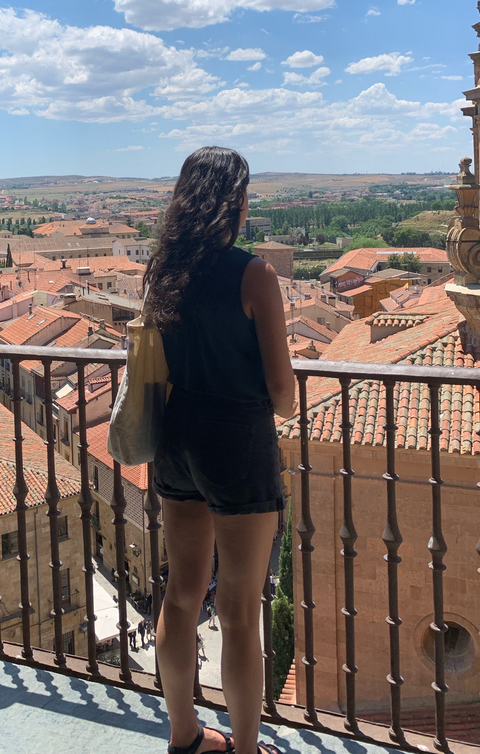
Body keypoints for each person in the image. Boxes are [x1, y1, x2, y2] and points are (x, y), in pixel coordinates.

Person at [145, 147, 294, 754]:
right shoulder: (253, 273)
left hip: (175, 442)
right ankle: (247, 747)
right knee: (238, 610)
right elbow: (283, 393)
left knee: (182, 595)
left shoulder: (162, 272)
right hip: (236, 446)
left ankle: (186, 736)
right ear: (235, 201)